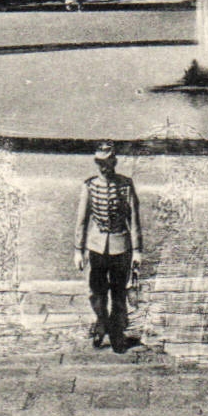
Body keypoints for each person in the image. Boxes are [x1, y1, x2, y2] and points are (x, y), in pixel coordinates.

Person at [74, 141, 144, 352]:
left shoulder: (125, 185)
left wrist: (137, 250)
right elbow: (82, 220)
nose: (103, 166)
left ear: (114, 161)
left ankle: (116, 333)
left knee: (119, 293)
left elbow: (134, 219)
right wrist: (78, 250)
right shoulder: (90, 185)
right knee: (96, 292)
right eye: (99, 162)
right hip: (96, 247)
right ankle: (101, 322)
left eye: (107, 161)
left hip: (121, 246)